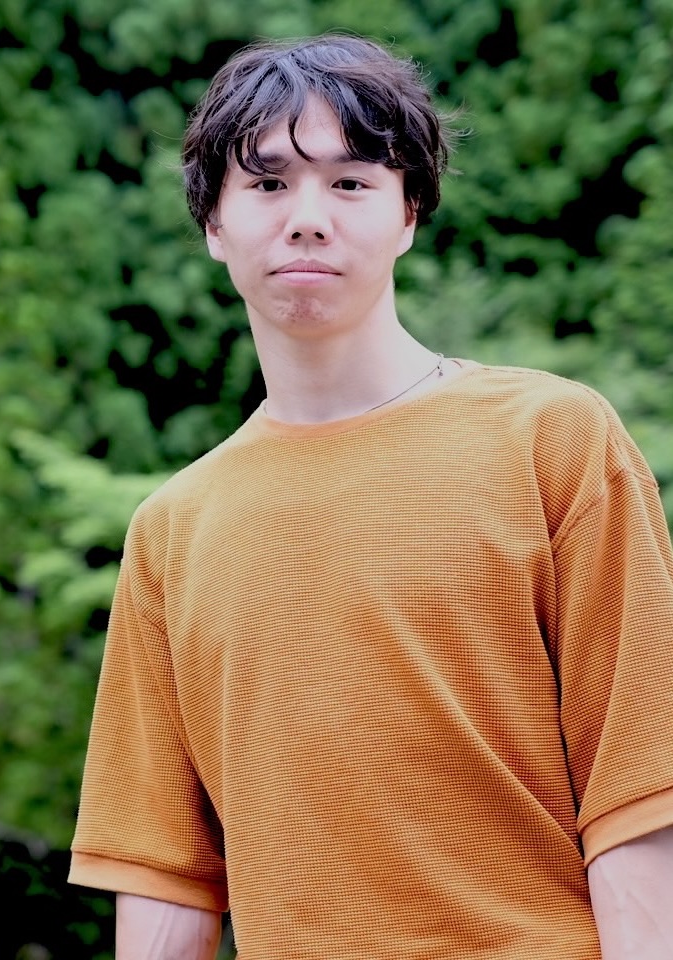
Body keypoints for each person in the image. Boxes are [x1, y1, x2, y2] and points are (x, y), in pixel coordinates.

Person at [69, 34, 673, 960]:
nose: (308, 218)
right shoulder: (172, 531)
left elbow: (640, 793)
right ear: (214, 224)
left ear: (408, 213)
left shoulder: (552, 439)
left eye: (351, 182)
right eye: (267, 183)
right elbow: (162, 878)